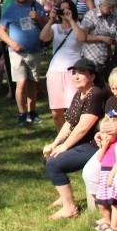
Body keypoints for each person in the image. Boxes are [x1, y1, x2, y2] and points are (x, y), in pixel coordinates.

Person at [42, 58, 106, 220]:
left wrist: (65, 146)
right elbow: (70, 122)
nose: (76, 76)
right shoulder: (80, 93)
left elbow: (83, 127)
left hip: (96, 145)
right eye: (74, 73)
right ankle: (65, 197)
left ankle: (70, 208)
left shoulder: (96, 94)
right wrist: (55, 144)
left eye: (81, 73)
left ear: (92, 76)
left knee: (54, 164)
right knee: (48, 156)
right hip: (82, 142)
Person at [82, 65, 117, 231]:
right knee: (89, 172)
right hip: (112, 147)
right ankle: (107, 213)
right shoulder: (111, 102)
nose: (116, 93)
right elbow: (107, 123)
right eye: (113, 89)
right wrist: (100, 135)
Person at [0, 0, 47, 126]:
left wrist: (38, 18)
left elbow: (47, 27)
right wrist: (12, 44)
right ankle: (21, 113)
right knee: (21, 83)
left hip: (35, 51)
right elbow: (1, 31)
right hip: (17, 53)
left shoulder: (36, 6)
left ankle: (32, 112)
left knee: (33, 83)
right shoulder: (10, 10)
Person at [40, 0, 83, 131]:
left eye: (67, 9)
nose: (64, 12)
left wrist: (71, 21)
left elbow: (82, 38)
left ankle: (75, 138)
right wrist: (50, 20)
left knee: (73, 108)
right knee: (56, 111)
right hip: (54, 72)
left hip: (73, 72)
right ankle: (61, 138)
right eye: (61, 10)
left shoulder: (79, 25)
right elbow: (42, 37)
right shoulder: (55, 27)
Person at [70, 0, 117, 86]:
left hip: (107, 59)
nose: (111, 10)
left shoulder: (112, 17)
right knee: (96, 88)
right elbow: (83, 37)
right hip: (93, 59)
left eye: (113, 8)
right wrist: (101, 38)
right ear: (101, 4)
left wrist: (113, 40)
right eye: (109, 8)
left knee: (108, 86)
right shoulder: (91, 16)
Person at [90, 117, 117, 231]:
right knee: (101, 202)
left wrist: (112, 176)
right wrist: (103, 147)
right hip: (103, 174)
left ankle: (114, 227)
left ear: (116, 133)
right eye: (103, 132)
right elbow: (99, 158)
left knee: (113, 202)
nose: (105, 136)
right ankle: (108, 222)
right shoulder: (106, 145)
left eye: (109, 133)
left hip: (112, 174)